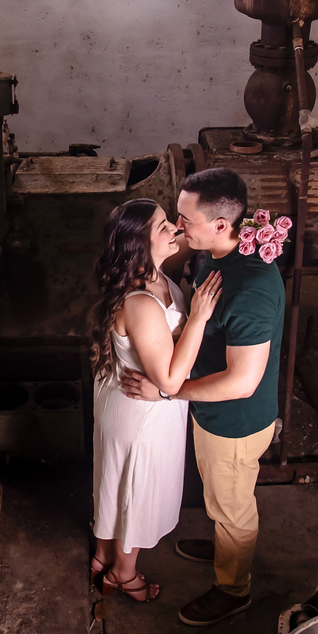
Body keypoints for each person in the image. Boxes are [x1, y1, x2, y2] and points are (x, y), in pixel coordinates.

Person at [119, 167, 284, 626]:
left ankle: (234, 589)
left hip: (235, 418)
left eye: (184, 219)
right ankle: (226, 547)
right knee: (220, 494)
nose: (177, 226)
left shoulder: (249, 288)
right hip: (212, 407)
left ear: (220, 225)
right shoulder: (216, 249)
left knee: (232, 504)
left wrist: (168, 393)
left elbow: (241, 382)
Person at [88, 198, 223, 601]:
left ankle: (102, 553)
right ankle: (123, 574)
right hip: (142, 415)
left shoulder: (159, 278)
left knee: (117, 482)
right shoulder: (142, 302)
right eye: (162, 227)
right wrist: (197, 319)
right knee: (136, 491)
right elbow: (168, 377)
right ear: (138, 244)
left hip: (133, 402)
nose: (174, 229)